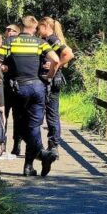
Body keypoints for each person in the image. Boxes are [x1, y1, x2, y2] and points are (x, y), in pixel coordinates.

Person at [0, 16, 60, 177]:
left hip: (19, 89)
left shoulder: (10, 43)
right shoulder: (40, 43)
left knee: (22, 127)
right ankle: (29, 166)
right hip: (37, 88)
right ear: (35, 29)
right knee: (34, 127)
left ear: (21, 27)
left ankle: (43, 155)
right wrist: (48, 77)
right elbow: (56, 60)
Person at [37, 17, 75, 159]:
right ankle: (53, 147)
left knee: (51, 114)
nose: (37, 31)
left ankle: (53, 146)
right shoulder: (50, 39)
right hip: (51, 80)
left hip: (51, 80)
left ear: (46, 26)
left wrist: (56, 65)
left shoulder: (52, 39)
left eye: (39, 27)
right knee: (51, 113)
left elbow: (68, 53)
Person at [2, 24, 23, 156]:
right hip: (4, 85)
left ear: (18, 33)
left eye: (12, 30)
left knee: (18, 117)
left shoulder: (21, 46)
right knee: (3, 115)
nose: (9, 32)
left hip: (16, 84)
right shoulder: (2, 45)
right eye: (8, 30)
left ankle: (17, 144)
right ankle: (1, 143)